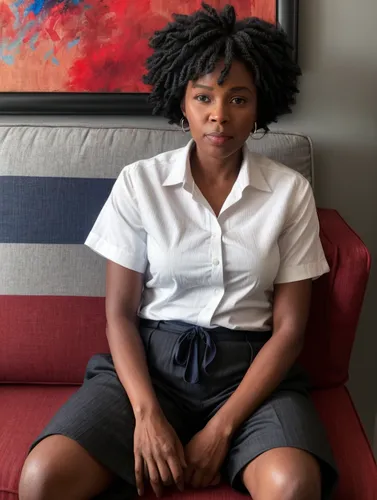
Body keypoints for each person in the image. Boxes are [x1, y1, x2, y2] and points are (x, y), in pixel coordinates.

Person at [19, 3, 338, 500]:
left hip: (249, 377)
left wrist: (220, 430)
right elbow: (119, 315)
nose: (219, 115)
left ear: (260, 107)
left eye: (238, 99)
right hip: (151, 369)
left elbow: (291, 331)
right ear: (182, 101)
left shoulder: (289, 192)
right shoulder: (140, 183)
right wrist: (146, 414)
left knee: (294, 487)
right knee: (43, 478)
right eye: (204, 96)